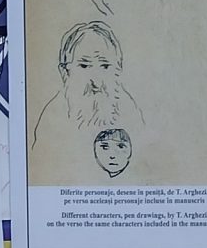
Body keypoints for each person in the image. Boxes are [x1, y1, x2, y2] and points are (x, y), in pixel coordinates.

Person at [31, 21, 142, 180]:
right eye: (84, 66)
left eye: (105, 66)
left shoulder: (129, 110)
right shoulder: (52, 118)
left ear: (118, 69)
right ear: (64, 72)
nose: (96, 82)